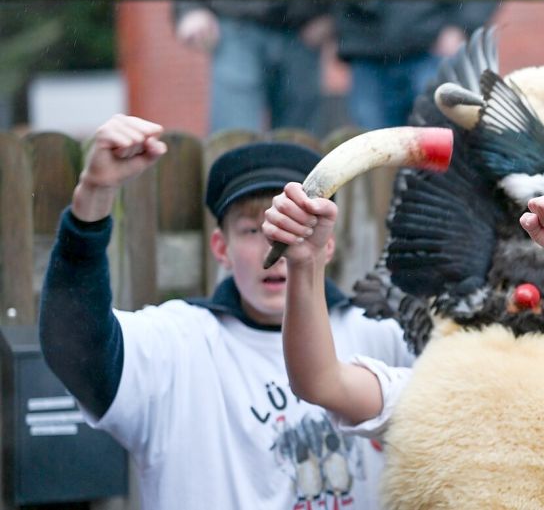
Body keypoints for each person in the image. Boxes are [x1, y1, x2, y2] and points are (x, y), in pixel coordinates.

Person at [38, 114, 413, 509]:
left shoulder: (383, 334)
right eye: (254, 230)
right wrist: (94, 195)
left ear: (327, 244)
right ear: (221, 248)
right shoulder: (176, 341)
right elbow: (75, 346)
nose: (279, 249)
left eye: (297, 229)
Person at [263, 186, 544, 508]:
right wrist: (305, 264)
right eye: (504, 283)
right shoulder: (442, 384)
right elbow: (320, 381)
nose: (524, 296)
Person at [333, 0, 497, 129]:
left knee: (437, 139)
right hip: (366, 48)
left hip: (430, 45)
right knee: (371, 147)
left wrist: (461, 25)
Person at [174, 0, 333, 133]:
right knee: (234, 139)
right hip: (235, 22)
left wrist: (334, 14)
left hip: (305, 27)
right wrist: (189, 7)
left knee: (301, 145)